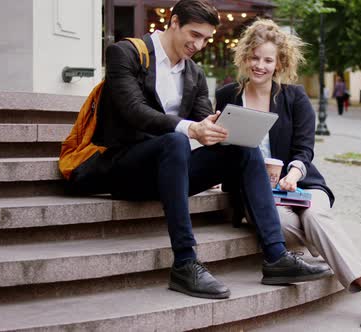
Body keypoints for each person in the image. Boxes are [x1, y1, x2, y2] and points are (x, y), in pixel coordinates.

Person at [70, 0, 330, 300]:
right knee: (176, 139)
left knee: (242, 149)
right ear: (174, 22)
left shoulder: (193, 73)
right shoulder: (125, 53)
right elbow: (134, 111)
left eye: (205, 38)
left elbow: (206, 120)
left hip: (170, 171)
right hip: (124, 168)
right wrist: (189, 128)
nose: (199, 44)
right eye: (194, 34)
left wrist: (216, 127)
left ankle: (276, 258)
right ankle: (184, 263)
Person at [215, 19, 361, 328]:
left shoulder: (294, 98)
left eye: (268, 59)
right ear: (244, 57)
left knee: (314, 215)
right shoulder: (227, 96)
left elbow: (304, 151)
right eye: (254, 57)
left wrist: (293, 174)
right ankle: (329, 248)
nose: (260, 66)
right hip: (258, 196)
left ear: (280, 62)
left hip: (301, 184)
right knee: (281, 224)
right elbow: (222, 149)